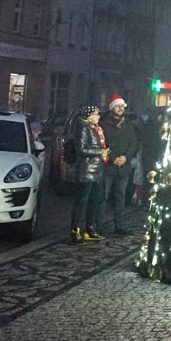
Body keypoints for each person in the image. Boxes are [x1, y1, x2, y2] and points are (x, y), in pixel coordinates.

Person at [97, 95, 141, 235]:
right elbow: (102, 144)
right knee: (103, 197)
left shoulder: (128, 125)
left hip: (123, 167)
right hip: (108, 167)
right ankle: (98, 227)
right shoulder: (103, 125)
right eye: (118, 106)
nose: (121, 109)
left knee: (120, 197)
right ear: (112, 108)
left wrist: (126, 157)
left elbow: (134, 142)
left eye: (122, 106)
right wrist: (112, 158)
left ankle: (119, 225)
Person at [69, 104, 108, 244]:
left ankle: (90, 229)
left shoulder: (96, 129)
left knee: (94, 201)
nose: (99, 116)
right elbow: (82, 149)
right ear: (89, 116)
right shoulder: (83, 128)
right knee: (81, 201)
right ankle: (75, 231)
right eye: (96, 114)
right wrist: (100, 152)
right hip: (86, 171)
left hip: (97, 171)